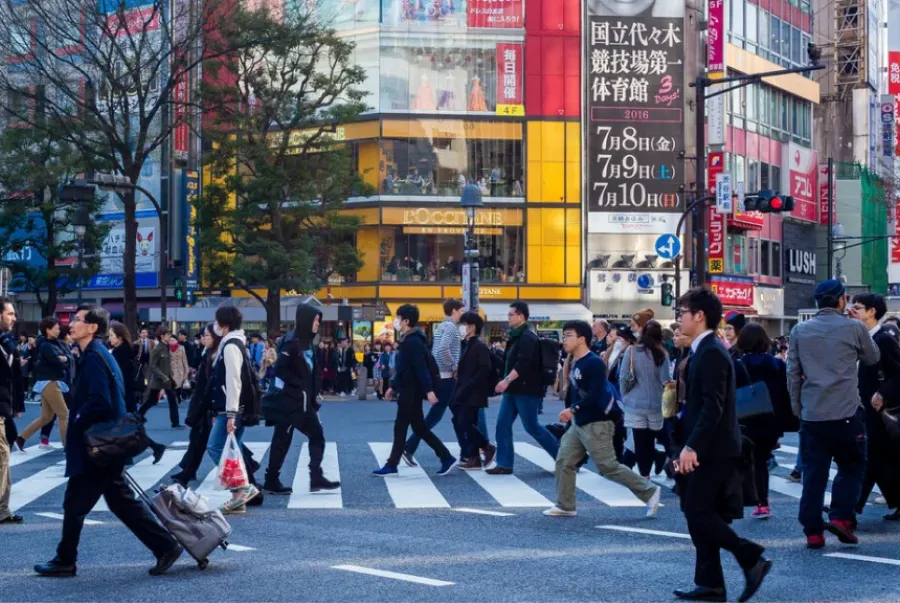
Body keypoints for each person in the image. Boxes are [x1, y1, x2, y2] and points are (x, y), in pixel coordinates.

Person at [34, 305, 183, 577]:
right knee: (120, 501)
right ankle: (165, 546)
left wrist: (76, 418)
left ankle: (65, 560)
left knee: (76, 503)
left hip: (98, 445)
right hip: (107, 443)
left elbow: (100, 400)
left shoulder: (93, 357)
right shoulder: (97, 353)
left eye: (78, 320)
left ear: (92, 327)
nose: (72, 324)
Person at [673, 288, 771, 603]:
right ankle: (711, 584)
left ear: (699, 316)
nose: (679, 318)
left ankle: (750, 556)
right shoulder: (704, 349)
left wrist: (692, 447)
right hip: (708, 445)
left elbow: (712, 407)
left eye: (682, 312)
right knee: (700, 512)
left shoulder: (712, 351)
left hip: (713, 449)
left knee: (697, 510)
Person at [787, 279, 879, 548]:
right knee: (852, 466)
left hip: (813, 413)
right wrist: (859, 327)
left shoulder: (800, 331)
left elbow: (792, 373)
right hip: (847, 411)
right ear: (842, 300)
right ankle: (840, 517)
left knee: (814, 473)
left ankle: (813, 532)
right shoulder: (854, 328)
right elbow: (873, 357)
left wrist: (797, 408)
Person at [544, 320, 661, 518]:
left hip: (597, 423)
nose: (564, 340)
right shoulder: (577, 362)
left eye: (568, 335)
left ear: (582, 339)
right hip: (579, 423)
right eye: (564, 336)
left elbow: (596, 394)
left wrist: (574, 409)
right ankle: (565, 505)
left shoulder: (593, 363)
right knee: (564, 460)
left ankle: (649, 491)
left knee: (608, 467)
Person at [263, 303, 341, 494]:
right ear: (306, 320)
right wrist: (299, 385)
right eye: (315, 320)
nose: (317, 324)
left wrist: (312, 395)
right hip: (291, 402)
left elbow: (311, 372)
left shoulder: (307, 341)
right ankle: (273, 479)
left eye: (319, 320)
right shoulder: (292, 342)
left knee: (311, 436)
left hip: (304, 402)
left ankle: (313, 477)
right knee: (285, 439)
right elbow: (280, 369)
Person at [373, 304, 458, 477]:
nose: (396, 321)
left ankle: (392, 464)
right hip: (407, 388)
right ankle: (446, 457)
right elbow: (404, 367)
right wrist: (393, 386)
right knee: (419, 428)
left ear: (406, 320)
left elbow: (420, 368)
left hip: (411, 391)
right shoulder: (409, 339)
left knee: (401, 427)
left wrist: (428, 390)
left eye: (398, 318)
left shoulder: (412, 342)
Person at [487, 301, 559, 475]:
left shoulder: (528, 336)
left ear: (521, 316)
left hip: (526, 389)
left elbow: (523, 364)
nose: (508, 318)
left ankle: (565, 459)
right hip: (513, 390)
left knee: (532, 426)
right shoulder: (516, 335)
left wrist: (506, 381)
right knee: (502, 424)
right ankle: (504, 463)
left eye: (511, 314)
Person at [205, 306, 261, 514]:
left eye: (217, 323)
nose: (215, 326)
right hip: (236, 407)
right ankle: (238, 498)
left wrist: (230, 413)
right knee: (231, 451)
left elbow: (233, 381)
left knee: (215, 446)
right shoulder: (236, 343)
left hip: (233, 408)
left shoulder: (230, 346)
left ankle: (242, 488)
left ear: (224, 325)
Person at [850, 293, 900, 520]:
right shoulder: (859, 338)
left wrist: (882, 393)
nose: (854, 311)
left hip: (880, 410)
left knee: (871, 458)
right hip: (864, 408)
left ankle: (849, 509)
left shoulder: (884, 339)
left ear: (872, 312)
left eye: (858, 308)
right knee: (878, 460)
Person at [733, 323, 789, 520]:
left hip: (745, 419)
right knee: (760, 460)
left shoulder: (738, 364)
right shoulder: (777, 365)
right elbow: (784, 394)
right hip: (770, 420)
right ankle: (762, 502)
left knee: (747, 459)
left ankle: (750, 499)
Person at [403, 298, 464, 466]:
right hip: (447, 377)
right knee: (434, 416)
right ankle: (408, 446)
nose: (461, 314)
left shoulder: (441, 326)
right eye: (460, 311)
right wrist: (454, 365)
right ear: (453, 311)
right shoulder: (451, 327)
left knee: (457, 412)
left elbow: (435, 350)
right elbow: (443, 349)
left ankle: (469, 449)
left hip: (440, 376)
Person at [620, 319, 671, 479]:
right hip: (656, 403)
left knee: (641, 441)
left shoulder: (632, 351)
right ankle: (667, 461)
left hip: (635, 402)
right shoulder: (662, 353)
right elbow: (666, 380)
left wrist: (626, 396)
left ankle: (644, 474)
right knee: (656, 436)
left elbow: (623, 377)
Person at [171, 324, 219, 488]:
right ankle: (187, 471)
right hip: (203, 404)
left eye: (206, 335)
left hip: (208, 405)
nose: (203, 338)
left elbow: (211, 385)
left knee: (211, 441)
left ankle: (248, 471)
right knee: (198, 439)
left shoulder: (215, 355)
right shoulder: (207, 353)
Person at [15, 317, 72, 449]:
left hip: (50, 381)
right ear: (48, 330)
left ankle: (21, 438)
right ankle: (68, 446)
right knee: (64, 414)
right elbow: (57, 361)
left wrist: (65, 358)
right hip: (50, 382)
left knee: (46, 417)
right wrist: (65, 359)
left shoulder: (54, 343)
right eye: (56, 328)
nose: (59, 330)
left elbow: (65, 358)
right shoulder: (46, 345)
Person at [451, 312, 496, 470]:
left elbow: (485, 369)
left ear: (472, 327)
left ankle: (486, 446)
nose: (461, 328)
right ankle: (474, 457)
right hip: (463, 389)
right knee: (461, 421)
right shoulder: (466, 344)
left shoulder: (479, 345)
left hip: (473, 392)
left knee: (464, 422)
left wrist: (470, 383)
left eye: (463, 325)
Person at [0, 299, 24, 525]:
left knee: (4, 455)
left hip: (4, 407)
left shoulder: (6, 342)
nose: (13, 318)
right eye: (10, 314)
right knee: (3, 457)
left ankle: (3, 510)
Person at [138, 327, 182, 428]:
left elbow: (167, 365)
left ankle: (175, 423)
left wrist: (170, 378)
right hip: (158, 380)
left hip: (167, 380)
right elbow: (152, 365)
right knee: (151, 401)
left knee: (172, 400)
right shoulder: (157, 349)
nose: (169, 337)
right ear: (162, 336)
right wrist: (162, 376)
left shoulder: (166, 347)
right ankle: (138, 416)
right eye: (167, 335)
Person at [108, 322, 140, 414]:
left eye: (111, 335)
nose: (109, 338)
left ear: (120, 338)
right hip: (127, 391)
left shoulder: (120, 353)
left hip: (122, 391)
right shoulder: (126, 351)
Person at [169, 335, 190, 408]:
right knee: (172, 386)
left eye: (173, 340)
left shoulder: (181, 348)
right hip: (171, 369)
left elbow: (184, 359)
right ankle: (174, 399)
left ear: (176, 341)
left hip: (180, 370)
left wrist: (186, 369)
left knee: (179, 385)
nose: (171, 342)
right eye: (170, 340)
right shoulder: (167, 348)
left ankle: (178, 396)